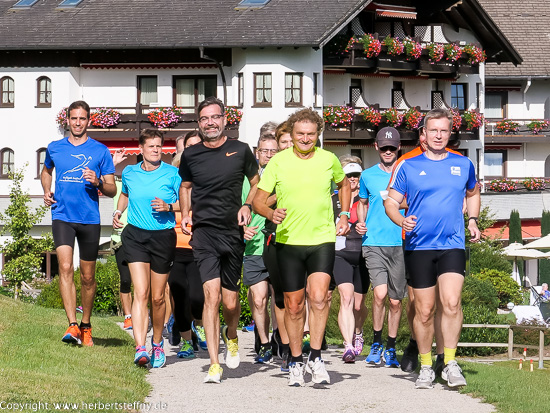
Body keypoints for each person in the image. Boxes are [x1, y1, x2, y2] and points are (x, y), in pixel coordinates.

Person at [253, 108, 351, 387]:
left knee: (319, 297)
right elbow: (259, 200)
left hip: (322, 239)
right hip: (288, 241)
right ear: (292, 134)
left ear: (317, 134)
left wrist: (343, 214)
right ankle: (295, 360)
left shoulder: (328, 159)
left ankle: (316, 357)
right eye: (300, 134)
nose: (305, 139)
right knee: (294, 306)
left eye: (310, 134)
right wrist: (270, 215)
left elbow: (343, 184)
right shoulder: (279, 162)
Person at [385, 108, 481, 389]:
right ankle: (426, 365)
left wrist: (472, 220)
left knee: (451, 303)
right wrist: (402, 219)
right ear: (424, 134)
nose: (439, 135)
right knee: (424, 311)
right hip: (419, 246)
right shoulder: (408, 166)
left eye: (444, 130)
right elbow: (390, 202)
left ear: (449, 134)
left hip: (452, 243)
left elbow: (473, 192)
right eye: (433, 130)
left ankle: (449, 362)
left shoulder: (463, 164)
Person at [178, 97, 259, 384]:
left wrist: (247, 204)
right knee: (210, 295)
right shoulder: (191, 155)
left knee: (230, 302)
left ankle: (232, 334)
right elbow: (185, 186)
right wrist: (186, 214)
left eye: (215, 117)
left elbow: (257, 180)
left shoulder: (240, 150)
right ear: (198, 123)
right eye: (204, 119)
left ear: (225, 119)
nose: (210, 123)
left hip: (232, 233)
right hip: (204, 234)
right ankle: (214, 363)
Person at [41, 100, 116, 346]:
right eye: (74, 118)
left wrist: (97, 182)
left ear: (89, 121)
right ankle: (72, 324)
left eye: (82, 118)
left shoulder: (100, 151)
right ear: (68, 121)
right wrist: (46, 190)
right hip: (62, 215)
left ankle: (86, 325)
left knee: (87, 277)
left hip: (89, 219)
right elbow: (46, 171)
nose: (77, 122)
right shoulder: (55, 148)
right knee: (64, 267)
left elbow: (112, 189)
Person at [113, 129, 181, 368]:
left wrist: (169, 206)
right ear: (141, 149)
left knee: (158, 297)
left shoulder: (172, 173)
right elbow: (124, 194)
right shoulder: (129, 172)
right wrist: (118, 211)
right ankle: (140, 347)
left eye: (159, 146)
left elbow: (187, 202)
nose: (156, 150)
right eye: (151, 146)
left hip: (162, 237)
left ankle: (158, 342)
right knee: (140, 292)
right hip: (135, 236)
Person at [357, 127, 406, 368]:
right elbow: (362, 203)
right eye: (383, 147)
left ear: (398, 148)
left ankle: (391, 346)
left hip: (401, 243)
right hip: (374, 242)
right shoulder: (367, 175)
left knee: (396, 302)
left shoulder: (407, 173)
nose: (388, 151)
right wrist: (360, 222)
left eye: (392, 147)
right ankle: (375, 343)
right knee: (379, 293)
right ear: (376, 147)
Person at [242, 132, 279, 363]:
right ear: (257, 153)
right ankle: (264, 343)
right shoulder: (246, 179)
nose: (268, 155)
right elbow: (234, 209)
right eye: (264, 151)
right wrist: (240, 230)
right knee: (258, 299)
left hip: (278, 244)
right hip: (253, 245)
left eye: (273, 151)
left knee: (280, 300)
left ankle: (280, 339)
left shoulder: (283, 175)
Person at [169, 131, 205, 359]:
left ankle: (199, 326)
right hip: (173, 244)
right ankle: (186, 341)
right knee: (179, 294)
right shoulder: (173, 175)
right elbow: (162, 202)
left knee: (198, 297)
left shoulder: (208, 175)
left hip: (200, 244)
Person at [332, 155, 369, 363]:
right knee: (345, 299)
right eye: (348, 175)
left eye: (356, 174)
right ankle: (347, 345)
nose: (352, 178)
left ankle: (358, 331)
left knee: (358, 305)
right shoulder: (333, 199)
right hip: (341, 254)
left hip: (363, 254)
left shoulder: (368, 199)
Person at [111, 148, 133, 330]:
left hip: (141, 236)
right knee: (126, 280)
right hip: (120, 238)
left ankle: (143, 314)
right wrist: (114, 164)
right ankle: (128, 316)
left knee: (146, 282)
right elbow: (103, 182)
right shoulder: (119, 185)